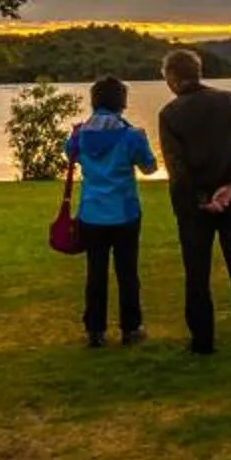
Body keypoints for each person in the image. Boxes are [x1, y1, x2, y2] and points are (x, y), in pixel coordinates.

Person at [156, 48, 231, 354]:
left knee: (197, 272)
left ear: (173, 78)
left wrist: (202, 197)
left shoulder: (170, 114)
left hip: (193, 206)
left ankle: (202, 339)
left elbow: (175, 165)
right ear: (198, 71)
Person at [64, 77, 156, 348]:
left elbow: (70, 154)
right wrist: (143, 141)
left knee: (95, 272)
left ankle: (95, 330)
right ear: (122, 102)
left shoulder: (80, 135)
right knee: (127, 272)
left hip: (91, 213)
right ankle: (131, 328)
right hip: (125, 213)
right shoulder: (129, 136)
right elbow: (149, 167)